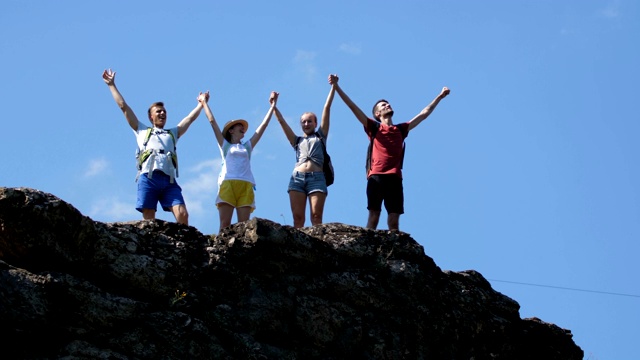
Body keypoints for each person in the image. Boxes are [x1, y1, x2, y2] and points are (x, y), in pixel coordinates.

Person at [329, 74, 450, 231]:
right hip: (377, 175)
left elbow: (424, 113)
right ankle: (366, 249)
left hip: (395, 177)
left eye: (388, 103)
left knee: (394, 221)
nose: (387, 105)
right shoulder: (374, 127)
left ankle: (393, 253)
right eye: (383, 105)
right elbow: (353, 107)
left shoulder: (401, 129)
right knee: (374, 216)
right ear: (377, 114)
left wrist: (439, 97)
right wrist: (337, 87)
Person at [102, 68, 205, 225]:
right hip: (149, 177)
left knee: (183, 214)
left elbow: (189, 119)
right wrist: (111, 85)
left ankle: (183, 246)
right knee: (149, 218)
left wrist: (201, 104)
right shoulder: (142, 130)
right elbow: (123, 106)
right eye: (158, 111)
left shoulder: (172, 133)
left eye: (164, 111)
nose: (162, 113)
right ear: (151, 116)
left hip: (169, 180)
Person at [199, 90, 277, 232]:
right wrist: (204, 103)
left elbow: (262, 128)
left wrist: (272, 107)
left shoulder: (247, 146)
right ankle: (221, 251)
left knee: (244, 227)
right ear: (231, 131)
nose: (242, 128)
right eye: (238, 126)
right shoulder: (225, 145)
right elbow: (212, 122)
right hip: (228, 183)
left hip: (245, 185)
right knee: (225, 225)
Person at [272, 82, 336, 228]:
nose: (306, 124)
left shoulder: (320, 136)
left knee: (316, 217)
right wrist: (274, 106)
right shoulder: (297, 140)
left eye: (309, 121)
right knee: (298, 218)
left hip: (317, 178)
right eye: (303, 122)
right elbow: (282, 122)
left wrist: (333, 87)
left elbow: (327, 108)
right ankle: (297, 248)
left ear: (315, 123)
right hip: (297, 178)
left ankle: (317, 247)